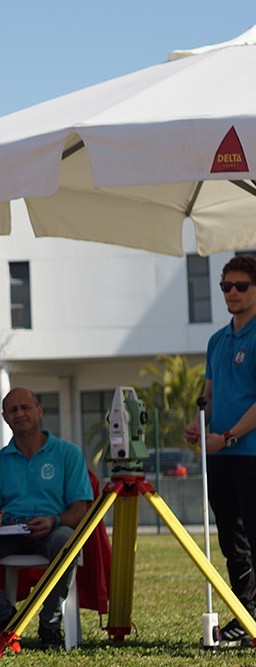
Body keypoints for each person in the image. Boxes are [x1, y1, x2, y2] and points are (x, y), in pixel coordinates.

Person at [0, 387, 92, 649]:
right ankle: (8, 620)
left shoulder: (67, 454)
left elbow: (80, 510)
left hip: (51, 530)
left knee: (68, 541)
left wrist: (54, 520)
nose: (20, 414)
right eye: (13, 410)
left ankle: (49, 626)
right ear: (5, 417)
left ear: (39, 411)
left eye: (25, 407)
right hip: (8, 531)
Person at [185, 254, 256, 646]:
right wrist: (199, 425)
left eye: (240, 286)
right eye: (226, 286)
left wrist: (227, 435)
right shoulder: (216, 340)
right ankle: (245, 616)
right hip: (220, 457)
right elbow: (208, 397)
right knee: (232, 541)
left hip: (250, 452)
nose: (231, 292)